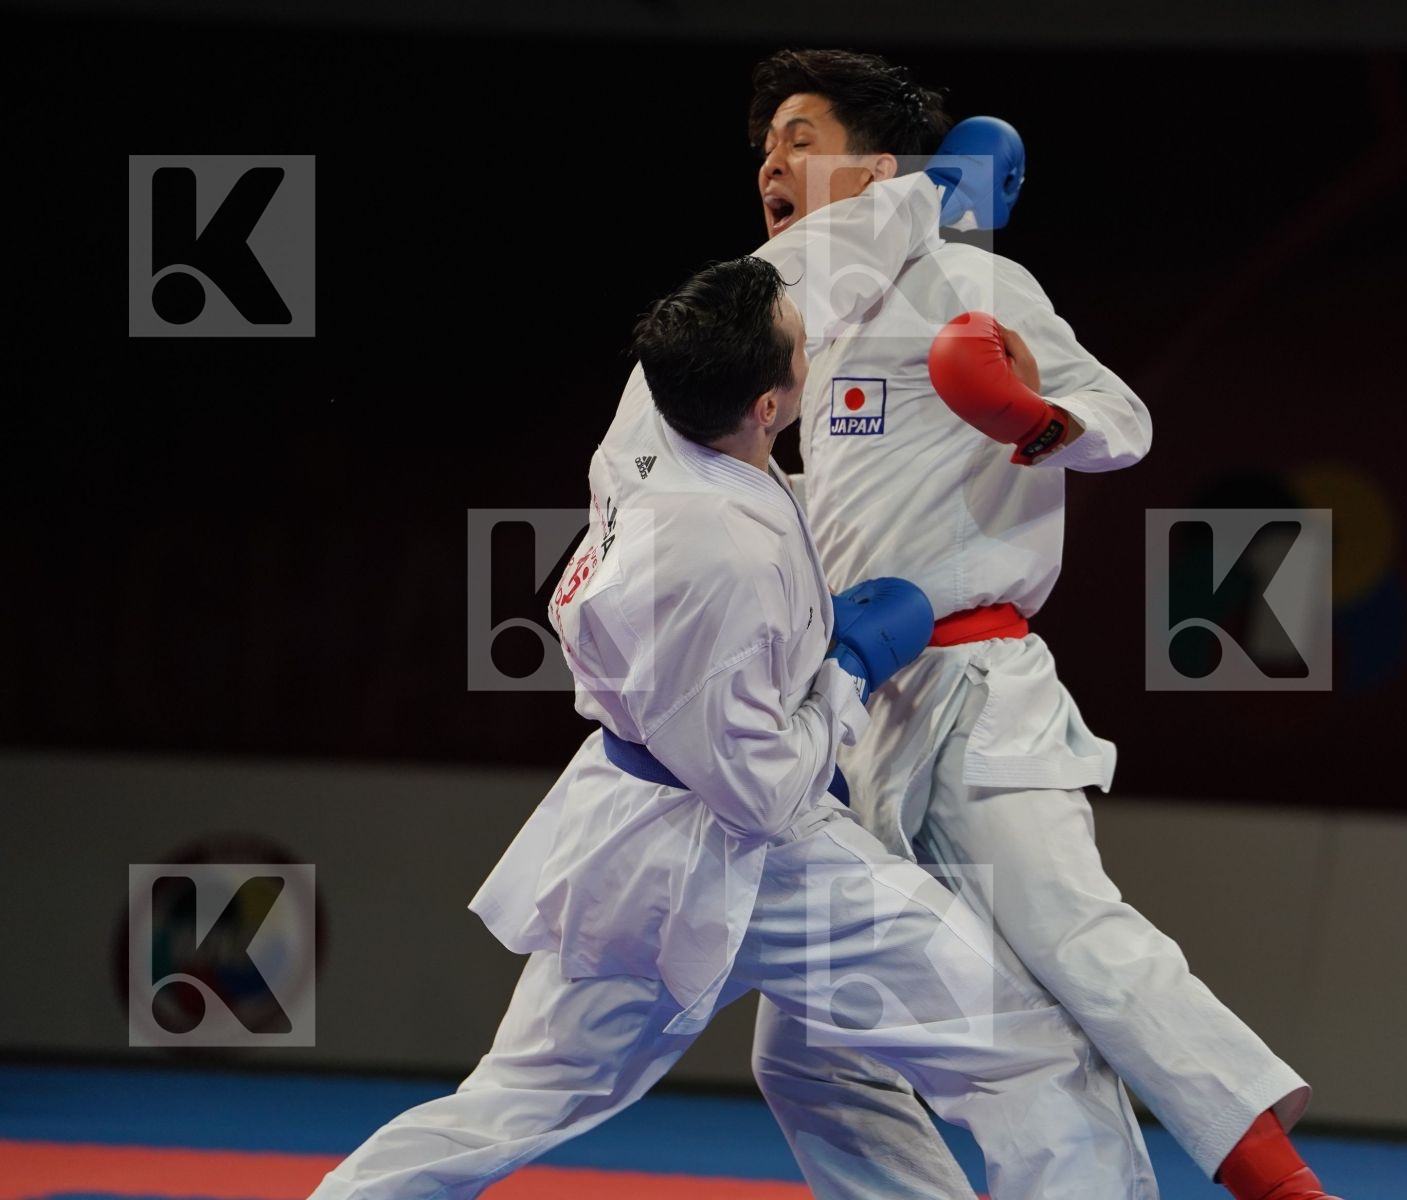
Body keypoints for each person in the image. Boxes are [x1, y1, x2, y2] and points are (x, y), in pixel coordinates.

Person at [308, 216, 1160, 1197]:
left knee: (526, 1092)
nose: (814, 338)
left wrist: (928, 195)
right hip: (751, 856)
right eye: (803, 344)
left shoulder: (661, 445)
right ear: (767, 401)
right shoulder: (721, 553)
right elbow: (764, 790)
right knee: (1020, 1047)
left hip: (633, 844)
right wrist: (844, 666)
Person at [742, 49, 1344, 1200]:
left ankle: (1275, 1176)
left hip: (979, 686)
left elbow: (1125, 421)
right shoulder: (790, 327)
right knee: (806, 1052)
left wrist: (1033, 413)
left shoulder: (969, 281)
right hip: (853, 713)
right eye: (763, 149)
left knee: (1064, 930)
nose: (771, 162)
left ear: (878, 171)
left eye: (799, 139)